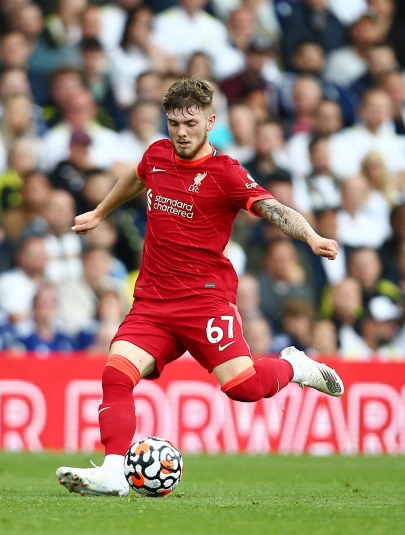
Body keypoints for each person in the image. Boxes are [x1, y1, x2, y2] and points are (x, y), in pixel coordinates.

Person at [56, 77, 344, 497]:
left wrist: (312, 237)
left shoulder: (225, 173)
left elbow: (273, 208)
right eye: (174, 123)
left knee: (243, 387)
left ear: (210, 122)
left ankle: (296, 367)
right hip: (154, 302)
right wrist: (100, 212)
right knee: (115, 373)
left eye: (190, 123)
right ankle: (114, 471)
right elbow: (136, 177)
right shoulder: (157, 155)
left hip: (205, 300)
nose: (181, 132)